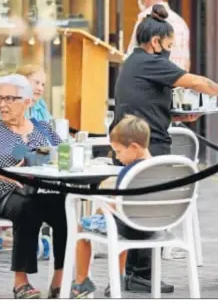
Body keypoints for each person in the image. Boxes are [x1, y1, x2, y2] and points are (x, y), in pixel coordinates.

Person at [113, 4, 218, 294]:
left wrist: (178, 117)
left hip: (137, 142)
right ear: (156, 42)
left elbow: (144, 103)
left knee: (142, 206)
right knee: (152, 208)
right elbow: (195, 81)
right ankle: (141, 273)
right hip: (146, 146)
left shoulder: (134, 62)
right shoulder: (151, 61)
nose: (169, 51)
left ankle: (136, 273)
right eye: (169, 45)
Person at [0, 74, 66, 299]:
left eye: (9, 98)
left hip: (43, 190)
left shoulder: (42, 128)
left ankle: (59, 280)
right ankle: (20, 283)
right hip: (3, 194)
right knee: (28, 207)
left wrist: (47, 159)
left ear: (26, 102)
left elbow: (64, 156)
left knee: (66, 208)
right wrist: (3, 177)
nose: (2, 104)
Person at [72, 115, 158, 298]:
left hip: (128, 228)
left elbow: (117, 206)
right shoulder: (158, 168)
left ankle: (80, 281)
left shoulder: (129, 173)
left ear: (134, 147)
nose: (117, 157)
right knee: (118, 223)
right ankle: (116, 278)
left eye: (118, 151)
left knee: (84, 226)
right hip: (153, 228)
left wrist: (103, 206)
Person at [127, 0, 190, 71]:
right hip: (180, 83)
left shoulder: (145, 19)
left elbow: (131, 58)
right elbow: (186, 62)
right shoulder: (181, 23)